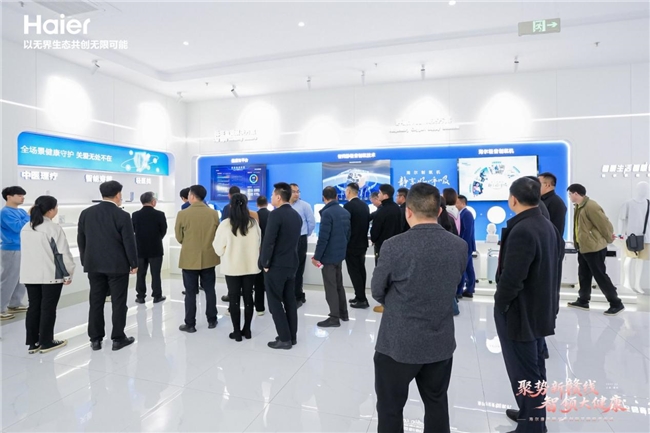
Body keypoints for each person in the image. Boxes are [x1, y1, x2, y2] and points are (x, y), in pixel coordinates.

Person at [371, 183, 467, 433]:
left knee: (390, 407)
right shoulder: (459, 245)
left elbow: (377, 290)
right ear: (439, 211)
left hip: (398, 342)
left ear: (408, 211)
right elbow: (454, 284)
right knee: (437, 402)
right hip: (440, 340)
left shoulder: (393, 246)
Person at [494, 177, 563, 433]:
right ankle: (530, 415)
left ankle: (532, 427)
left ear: (513, 199)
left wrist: (500, 305)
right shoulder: (546, 225)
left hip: (521, 312)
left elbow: (512, 278)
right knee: (534, 367)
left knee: (525, 372)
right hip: (540, 308)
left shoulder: (523, 230)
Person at [78, 181, 138, 351]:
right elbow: (129, 241)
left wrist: (85, 260)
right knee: (118, 302)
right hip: (117, 265)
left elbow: (81, 239)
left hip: (94, 264)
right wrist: (133, 263)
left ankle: (95, 339)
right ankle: (118, 338)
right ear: (118, 194)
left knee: (96, 301)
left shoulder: (86, 213)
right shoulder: (122, 215)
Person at [20, 195, 75, 353]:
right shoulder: (53, 228)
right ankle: (46, 341)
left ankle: (32, 343)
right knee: (48, 308)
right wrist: (68, 274)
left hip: (29, 274)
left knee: (33, 307)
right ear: (51, 210)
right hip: (50, 275)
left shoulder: (27, 227)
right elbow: (61, 254)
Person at [566, 184, 624, 315]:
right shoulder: (579, 207)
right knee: (584, 274)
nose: (569, 197)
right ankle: (583, 300)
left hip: (594, 248)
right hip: (584, 247)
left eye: (570, 194)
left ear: (576, 193)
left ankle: (616, 303)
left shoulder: (591, 206)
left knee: (600, 275)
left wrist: (609, 239)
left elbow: (605, 225)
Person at [214, 193, 261, 341]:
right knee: (248, 297)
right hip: (250, 267)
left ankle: (236, 332)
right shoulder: (253, 224)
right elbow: (259, 243)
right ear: (246, 205)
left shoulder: (225, 224)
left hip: (232, 267)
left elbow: (218, 249)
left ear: (231, 206)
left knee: (234, 298)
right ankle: (247, 330)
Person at [260, 182, 302, 349]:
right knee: (290, 300)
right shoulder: (296, 215)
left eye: (272, 195)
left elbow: (269, 241)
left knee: (275, 302)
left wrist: (265, 262)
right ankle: (292, 336)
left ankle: (284, 338)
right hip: (291, 263)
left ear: (278, 197)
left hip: (276, 265)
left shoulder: (276, 215)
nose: (271, 197)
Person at [175, 184, 221, 332]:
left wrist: (189, 244)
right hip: (209, 257)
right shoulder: (213, 214)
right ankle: (212, 320)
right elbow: (217, 235)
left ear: (192, 196)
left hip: (189, 258)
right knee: (210, 290)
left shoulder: (183, 214)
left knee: (190, 292)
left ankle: (190, 324)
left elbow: (179, 237)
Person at [312, 186, 351, 327]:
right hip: (339, 254)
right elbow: (348, 234)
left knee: (330, 287)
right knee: (339, 284)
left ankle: (334, 317)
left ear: (324, 197)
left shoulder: (327, 213)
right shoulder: (345, 212)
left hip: (328, 256)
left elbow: (323, 238)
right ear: (336, 196)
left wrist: (316, 257)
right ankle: (343, 313)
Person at [370, 184, 403, 313]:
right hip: (397, 246)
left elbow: (375, 231)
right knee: (395, 274)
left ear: (385, 195)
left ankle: (384, 304)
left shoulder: (382, 211)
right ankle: (395, 301)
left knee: (383, 274)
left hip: (382, 247)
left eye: (379, 193)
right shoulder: (397, 209)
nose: (378, 195)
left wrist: (373, 239)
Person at [132, 192, 167, 304]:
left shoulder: (135, 215)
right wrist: (157, 238)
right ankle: (157, 296)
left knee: (140, 274)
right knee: (156, 273)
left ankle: (140, 296)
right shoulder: (160, 214)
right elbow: (163, 230)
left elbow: (133, 230)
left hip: (140, 249)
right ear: (153, 202)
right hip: (156, 248)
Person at [1, 186, 30, 320]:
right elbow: (18, 227)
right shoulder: (5, 212)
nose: (22, 198)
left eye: (23, 195)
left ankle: (15, 303)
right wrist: (29, 216)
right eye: (19, 195)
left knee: (21, 278)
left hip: (23, 247)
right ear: (9, 197)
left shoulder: (21, 211)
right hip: (11, 249)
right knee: (9, 279)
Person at [344, 183, 371, 309]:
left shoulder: (348, 206)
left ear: (349, 191)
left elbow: (346, 227)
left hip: (351, 244)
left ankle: (361, 299)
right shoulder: (365, 205)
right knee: (361, 269)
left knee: (354, 271)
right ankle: (360, 295)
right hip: (362, 243)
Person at [290, 182, 316, 307]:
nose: (296, 194)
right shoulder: (284, 206)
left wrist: (305, 234)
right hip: (288, 240)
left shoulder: (304, 206)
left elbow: (311, 223)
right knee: (290, 269)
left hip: (300, 239)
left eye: (298, 191)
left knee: (299, 269)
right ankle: (292, 294)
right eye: (294, 191)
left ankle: (298, 296)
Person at [456, 195, 476, 299]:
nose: (455, 204)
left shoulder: (467, 214)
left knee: (463, 268)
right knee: (468, 268)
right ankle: (469, 289)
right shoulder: (462, 213)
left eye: (457, 202)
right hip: (466, 245)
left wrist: (463, 244)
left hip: (466, 245)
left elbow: (467, 232)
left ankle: (460, 291)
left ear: (463, 203)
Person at [254, 195, 270, 315]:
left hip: (258, 250)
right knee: (271, 280)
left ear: (257, 204)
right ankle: (274, 306)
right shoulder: (273, 215)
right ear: (267, 203)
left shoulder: (254, 216)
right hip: (270, 251)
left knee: (258, 281)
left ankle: (260, 308)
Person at [539, 172, 567, 236]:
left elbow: (557, 228)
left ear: (547, 185)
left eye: (538, 183)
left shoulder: (557, 203)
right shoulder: (541, 200)